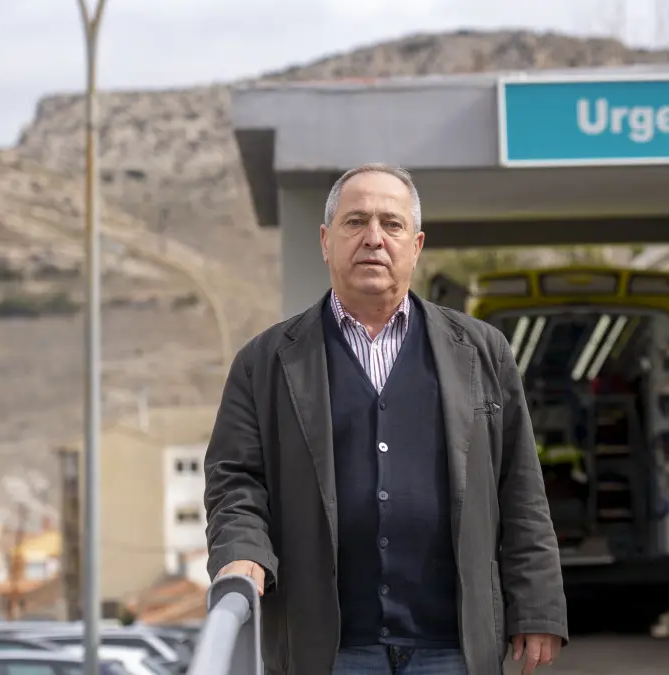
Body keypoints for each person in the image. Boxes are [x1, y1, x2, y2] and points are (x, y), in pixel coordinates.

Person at [203, 163, 568, 675]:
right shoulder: (262, 363)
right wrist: (241, 552)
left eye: (391, 224)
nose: (373, 238)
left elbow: (521, 489)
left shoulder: (483, 351)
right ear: (326, 241)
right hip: (327, 650)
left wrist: (537, 606)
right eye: (355, 222)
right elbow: (235, 481)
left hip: (454, 646)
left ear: (415, 246)